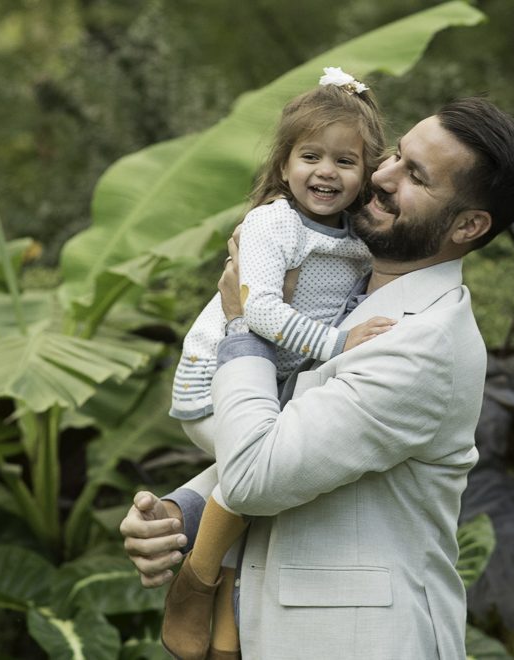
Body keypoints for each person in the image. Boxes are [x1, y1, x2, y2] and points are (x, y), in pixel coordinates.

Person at [122, 96, 514, 660]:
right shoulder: (346, 293)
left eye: (415, 175)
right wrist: (180, 516)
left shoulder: (423, 343)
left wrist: (244, 325)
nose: (381, 175)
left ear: (468, 225)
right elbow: (289, 440)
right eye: (395, 155)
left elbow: (254, 476)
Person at [163, 68, 392, 660]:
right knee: (257, 477)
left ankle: (226, 637)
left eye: (346, 161)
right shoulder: (274, 223)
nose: (326, 172)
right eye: (310, 155)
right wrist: (340, 345)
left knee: (266, 490)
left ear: (367, 171)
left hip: (272, 382)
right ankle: (196, 580)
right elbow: (258, 310)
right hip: (216, 380)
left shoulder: (355, 238)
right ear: (285, 163)